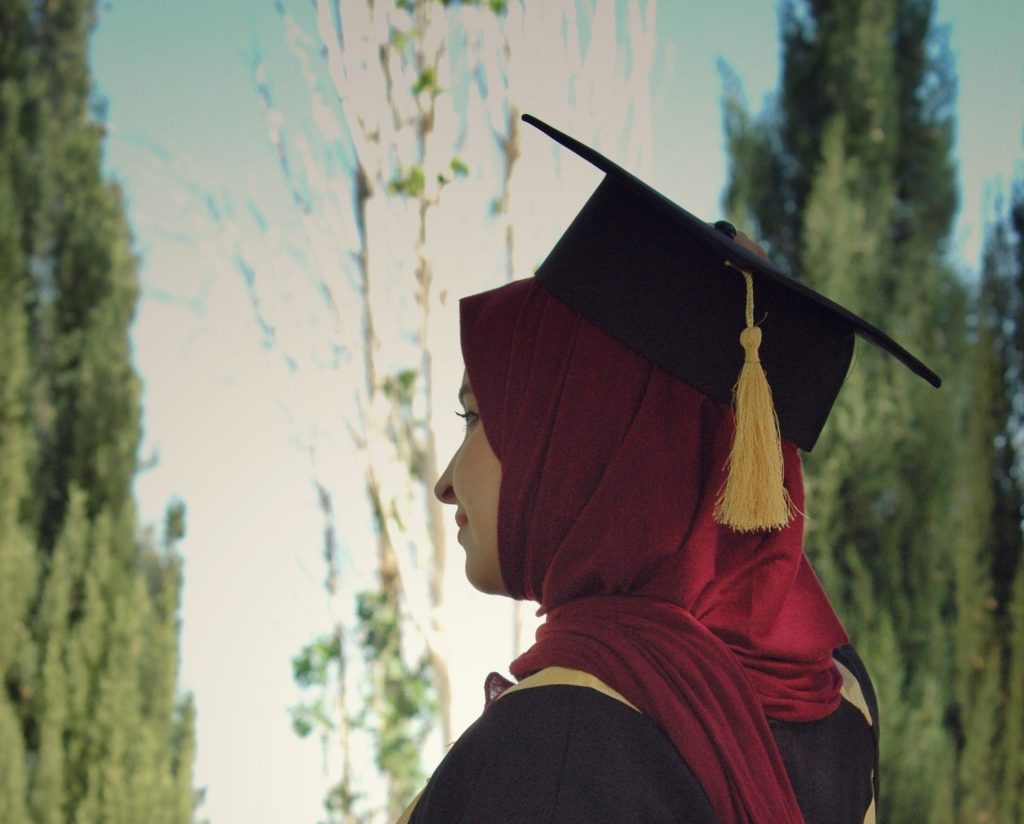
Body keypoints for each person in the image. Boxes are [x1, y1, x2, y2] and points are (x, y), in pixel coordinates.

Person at [397, 115, 940, 824]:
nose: (445, 482)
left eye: (479, 415)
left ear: (587, 433)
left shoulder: (553, 746)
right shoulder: (839, 703)